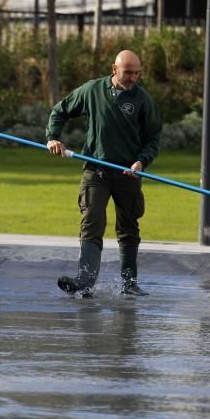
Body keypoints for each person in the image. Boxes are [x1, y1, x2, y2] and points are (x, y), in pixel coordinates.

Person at [46, 50, 162, 297]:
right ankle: (85, 281)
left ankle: (129, 284)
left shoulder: (143, 100)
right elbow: (60, 110)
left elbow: (153, 138)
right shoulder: (92, 91)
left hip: (128, 174)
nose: (133, 77)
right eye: (128, 72)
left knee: (128, 227)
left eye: (137, 73)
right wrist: (53, 138)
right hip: (95, 170)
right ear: (114, 69)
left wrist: (142, 161)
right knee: (92, 221)